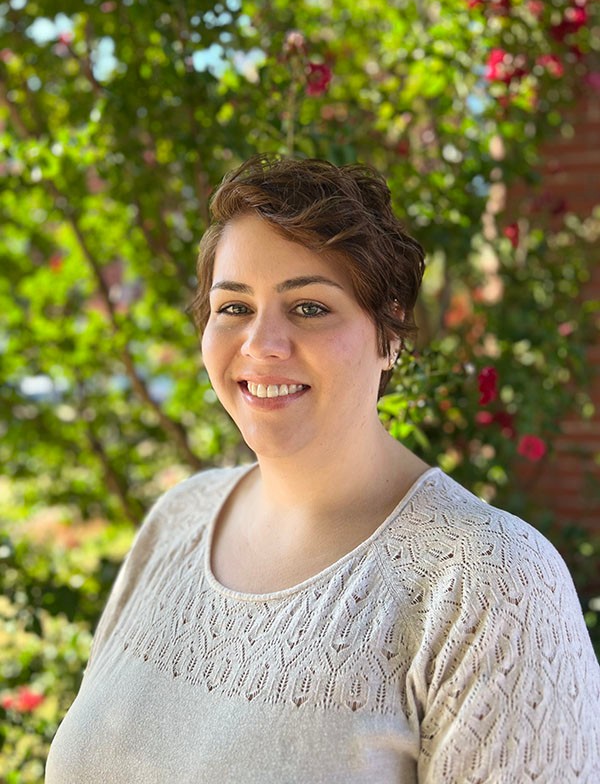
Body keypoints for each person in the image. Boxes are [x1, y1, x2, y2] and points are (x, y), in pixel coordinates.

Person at [46, 155, 600, 783]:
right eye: (233, 307)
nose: (262, 344)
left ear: (388, 335)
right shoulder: (179, 519)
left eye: (309, 307)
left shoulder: (491, 585)